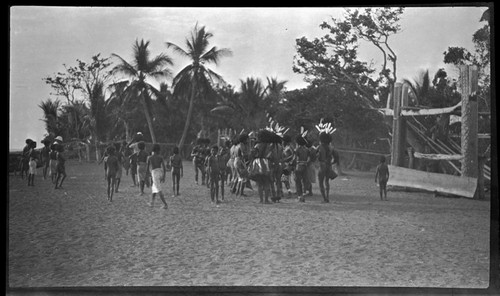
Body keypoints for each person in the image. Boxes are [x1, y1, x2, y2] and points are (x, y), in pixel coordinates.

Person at [249, 130, 275, 204]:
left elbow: (252, 154)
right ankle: (266, 200)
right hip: (266, 163)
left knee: (260, 183)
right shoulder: (269, 146)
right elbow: (271, 155)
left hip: (257, 163)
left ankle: (261, 200)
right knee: (266, 182)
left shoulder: (257, 145)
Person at [146, 144, 168, 209]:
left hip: (154, 173)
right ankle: (151, 202)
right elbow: (164, 168)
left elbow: (147, 169)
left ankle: (165, 204)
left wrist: (147, 177)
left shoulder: (149, 158)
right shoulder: (160, 157)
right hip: (160, 172)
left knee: (158, 189)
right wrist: (164, 176)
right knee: (154, 188)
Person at [317, 132, 334, 203]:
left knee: (321, 182)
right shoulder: (331, 147)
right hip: (329, 165)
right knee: (327, 181)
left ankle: (324, 198)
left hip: (322, 165)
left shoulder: (319, 147)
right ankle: (327, 196)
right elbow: (333, 157)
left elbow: (316, 156)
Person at [294, 135, 310, 202]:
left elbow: (295, 158)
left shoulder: (297, 149)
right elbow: (309, 158)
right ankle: (303, 195)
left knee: (298, 181)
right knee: (304, 181)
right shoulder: (307, 149)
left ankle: (299, 196)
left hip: (299, 166)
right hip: (305, 166)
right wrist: (306, 163)